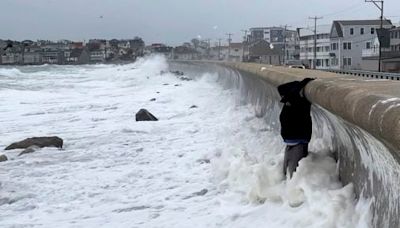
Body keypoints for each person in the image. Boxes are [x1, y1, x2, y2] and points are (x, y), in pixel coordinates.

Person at [277, 78, 314, 178]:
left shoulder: (295, 103)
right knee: (290, 175)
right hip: (295, 142)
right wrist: (303, 82)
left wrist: (302, 83)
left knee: (291, 175)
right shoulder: (295, 102)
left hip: (295, 142)